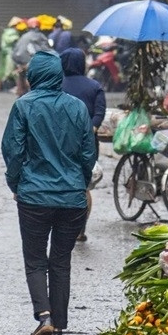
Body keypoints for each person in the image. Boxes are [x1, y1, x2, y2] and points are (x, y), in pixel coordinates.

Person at [1, 50, 97, 335]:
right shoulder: (78, 107)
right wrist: (80, 182)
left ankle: (44, 317)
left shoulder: (23, 106)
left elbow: (13, 152)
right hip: (72, 199)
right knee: (60, 262)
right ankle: (57, 333)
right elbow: (88, 153)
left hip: (34, 197)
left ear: (32, 77)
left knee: (34, 260)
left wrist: (15, 183)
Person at [60, 47, 105, 242]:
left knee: (61, 182)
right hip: (88, 143)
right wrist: (91, 129)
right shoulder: (94, 86)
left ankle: (62, 226)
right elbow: (100, 112)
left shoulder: (55, 84)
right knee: (83, 186)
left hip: (60, 142)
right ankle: (79, 229)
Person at [11, 18, 50, 98]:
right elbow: (47, 50)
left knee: (22, 87)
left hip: (20, 63)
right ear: (38, 27)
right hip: (34, 64)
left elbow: (15, 51)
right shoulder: (40, 36)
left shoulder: (23, 37)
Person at [0, 16, 24, 89]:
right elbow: (10, 40)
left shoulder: (10, 32)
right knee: (9, 69)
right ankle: (7, 84)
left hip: (11, 53)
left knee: (11, 69)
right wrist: (15, 39)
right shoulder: (10, 32)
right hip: (9, 53)